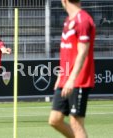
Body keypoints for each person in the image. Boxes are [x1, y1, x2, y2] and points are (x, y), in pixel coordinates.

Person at [48, 0, 96, 138]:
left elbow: (83, 52)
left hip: (79, 79)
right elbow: (67, 53)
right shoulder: (69, 20)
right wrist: (61, 76)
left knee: (76, 123)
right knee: (55, 119)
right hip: (65, 78)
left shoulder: (83, 20)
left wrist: (72, 79)